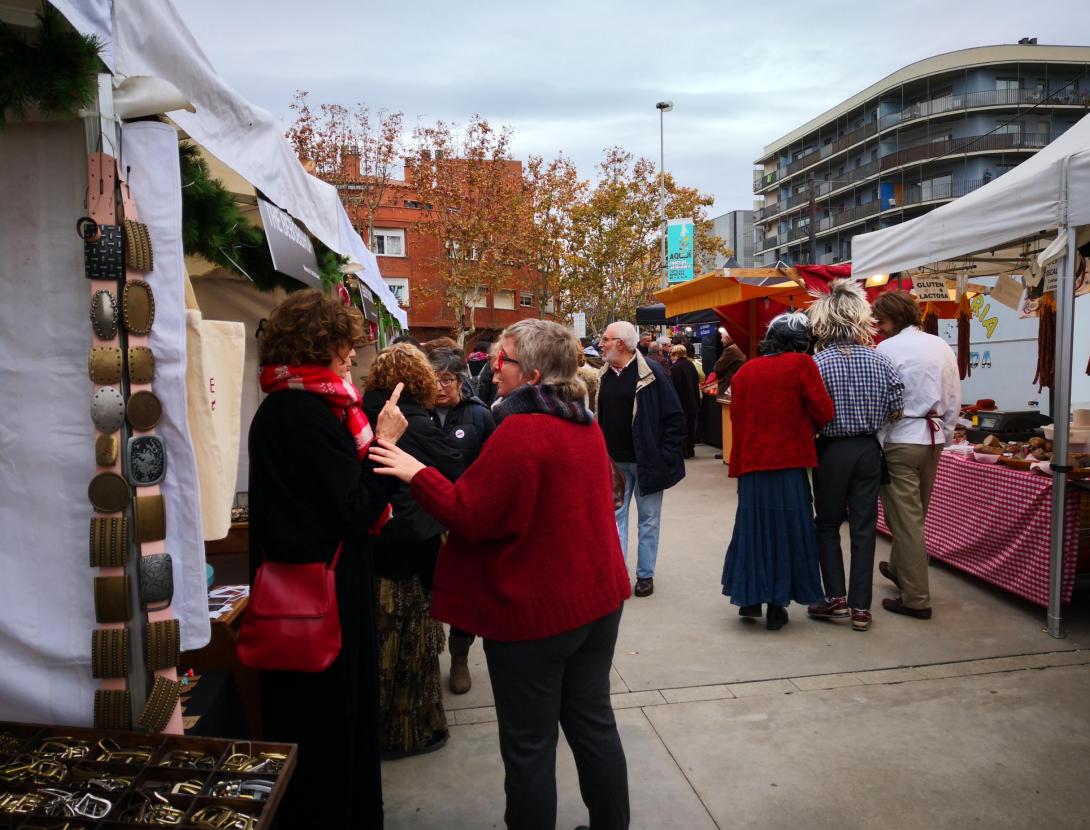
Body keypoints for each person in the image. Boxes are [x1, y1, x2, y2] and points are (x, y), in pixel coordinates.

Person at [369, 319, 632, 830]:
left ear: (531, 373)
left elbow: (470, 513)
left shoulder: (521, 430)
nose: (492, 364)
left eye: (503, 358)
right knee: (593, 725)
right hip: (597, 603)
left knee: (529, 745)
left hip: (537, 615)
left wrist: (412, 469)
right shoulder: (583, 421)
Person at [248, 289, 407, 827]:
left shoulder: (288, 406)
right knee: (330, 730)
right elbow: (357, 507)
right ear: (321, 345)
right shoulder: (305, 413)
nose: (351, 357)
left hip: (308, 590)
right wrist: (383, 444)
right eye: (343, 346)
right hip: (321, 601)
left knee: (322, 727)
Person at [363, 344, 464, 759]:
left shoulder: (359, 413)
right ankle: (411, 732)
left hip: (372, 542)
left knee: (381, 640)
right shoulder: (415, 423)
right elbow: (454, 469)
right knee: (412, 645)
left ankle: (375, 727)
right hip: (411, 543)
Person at [720, 312, 834, 630]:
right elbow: (824, 411)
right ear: (799, 341)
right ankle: (777, 605)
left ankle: (750, 598)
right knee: (788, 532)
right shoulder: (801, 365)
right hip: (788, 463)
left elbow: (738, 420)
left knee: (752, 531)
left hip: (752, 465)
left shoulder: (745, 371)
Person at [805, 280, 904, 633]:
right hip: (868, 449)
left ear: (825, 321)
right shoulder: (882, 360)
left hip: (831, 450)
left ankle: (836, 598)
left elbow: (809, 412)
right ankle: (862, 607)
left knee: (828, 524)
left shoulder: (817, 363)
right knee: (864, 529)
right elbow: (897, 407)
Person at [873, 291, 961, 621]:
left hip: (901, 438)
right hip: (934, 436)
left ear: (894, 318)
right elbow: (953, 394)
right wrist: (947, 435)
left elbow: (882, 400)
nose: (878, 328)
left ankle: (916, 599)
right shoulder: (939, 345)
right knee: (915, 515)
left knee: (907, 520)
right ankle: (899, 569)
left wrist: (878, 441)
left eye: (881, 321)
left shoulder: (886, 349)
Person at [597, 320, 686, 598]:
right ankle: (618, 574)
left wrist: (664, 455)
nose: (601, 344)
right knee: (615, 519)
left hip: (647, 461)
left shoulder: (652, 373)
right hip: (614, 463)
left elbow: (675, 418)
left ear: (620, 344)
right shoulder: (603, 375)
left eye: (606, 339)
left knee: (648, 520)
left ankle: (645, 576)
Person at [427, 346, 497, 695]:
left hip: (463, 517)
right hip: (423, 519)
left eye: (447, 379)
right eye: (433, 379)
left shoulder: (480, 415)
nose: (440, 387)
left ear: (460, 381)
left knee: (463, 593)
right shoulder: (414, 414)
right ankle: (424, 657)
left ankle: (458, 659)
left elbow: (492, 468)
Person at [707, 327, 747, 459]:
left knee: (728, 421)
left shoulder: (731, 350)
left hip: (729, 389)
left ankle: (728, 451)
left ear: (729, 337)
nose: (721, 339)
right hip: (736, 388)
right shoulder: (739, 348)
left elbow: (717, 367)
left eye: (722, 337)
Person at [669, 344, 701, 459]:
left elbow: (673, 388)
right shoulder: (691, 365)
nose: (671, 357)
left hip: (681, 403)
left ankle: (684, 452)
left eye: (672, 354)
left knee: (682, 428)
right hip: (692, 402)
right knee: (691, 427)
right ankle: (691, 449)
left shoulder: (674, 369)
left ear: (676, 354)